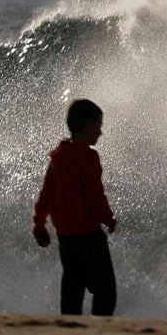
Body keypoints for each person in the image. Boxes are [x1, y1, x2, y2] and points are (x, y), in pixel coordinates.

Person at [32, 99, 118, 316]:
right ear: (88, 125)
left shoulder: (58, 157)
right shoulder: (88, 157)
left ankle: (70, 329)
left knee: (73, 287)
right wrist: (108, 219)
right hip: (89, 236)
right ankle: (99, 331)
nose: (101, 132)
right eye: (98, 125)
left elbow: (46, 195)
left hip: (67, 238)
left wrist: (39, 223)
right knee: (105, 291)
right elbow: (95, 197)